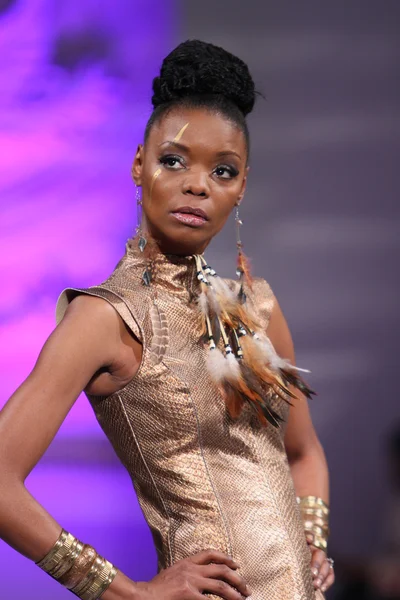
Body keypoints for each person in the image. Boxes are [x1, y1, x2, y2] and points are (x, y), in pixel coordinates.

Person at [0, 40, 335, 599]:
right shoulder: (106, 317)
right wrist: (129, 593)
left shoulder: (253, 309)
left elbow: (303, 452)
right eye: (174, 160)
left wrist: (312, 541)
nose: (197, 185)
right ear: (139, 164)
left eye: (222, 170)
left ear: (241, 187)